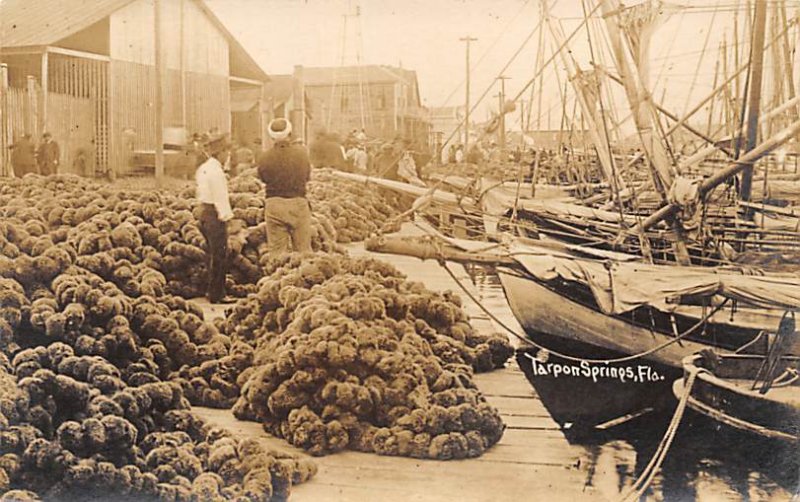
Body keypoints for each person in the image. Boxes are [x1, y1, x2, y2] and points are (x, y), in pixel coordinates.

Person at [257, 118, 312, 253]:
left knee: (277, 254)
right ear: (290, 133)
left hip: (274, 204)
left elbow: (263, 178)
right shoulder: (302, 154)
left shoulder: (264, 157)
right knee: (303, 251)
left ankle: (278, 273)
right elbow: (307, 177)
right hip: (298, 204)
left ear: (271, 136)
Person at [195, 133, 234, 303]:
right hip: (214, 214)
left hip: (203, 211)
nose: (228, 156)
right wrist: (228, 219)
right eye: (227, 152)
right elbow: (220, 198)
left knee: (211, 253)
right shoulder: (216, 172)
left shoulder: (203, 168)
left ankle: (211, 291)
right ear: (220, 153)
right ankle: (217, 295)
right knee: (220, 255)